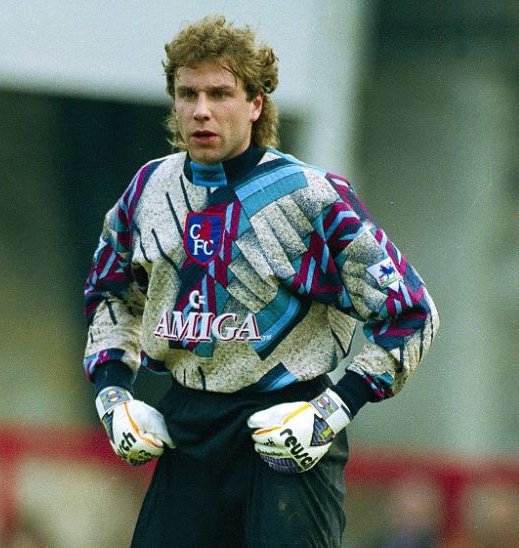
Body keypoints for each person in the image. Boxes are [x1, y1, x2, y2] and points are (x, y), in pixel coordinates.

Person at [83, 16, 439, 548]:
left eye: (220, 93)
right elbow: (111, 295)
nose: (201, 110)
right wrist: (113, 394)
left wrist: (333, 410)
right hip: (188, 426)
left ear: (256, 103)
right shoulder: (148, 190)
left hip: (286, 424)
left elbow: (413, 313)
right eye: (188, 93)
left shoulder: (310, 198)